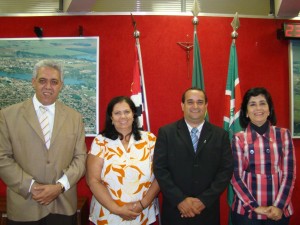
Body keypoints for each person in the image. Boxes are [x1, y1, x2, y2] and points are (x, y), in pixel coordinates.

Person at [0, 59, 87, 225]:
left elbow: (81, 158)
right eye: (42, 80)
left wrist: (59, 187)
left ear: (61, 85)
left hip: (62, 205)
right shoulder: (7, 115)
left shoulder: (75, 118)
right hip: (24, 206)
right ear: (33, 82)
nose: (48, 86)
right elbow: (2, 158)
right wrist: (31, 186)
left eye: (54, 82)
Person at [153, 87, 234, 225]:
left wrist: (204, 201)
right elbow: (160, 169)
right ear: (182, 105)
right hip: (175, 211)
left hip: (207, 212)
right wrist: (179, 200)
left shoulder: (220, 135)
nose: (195, 106)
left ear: (206, 106)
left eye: (200, 102)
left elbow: (225, 170)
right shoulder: (166, 133)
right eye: (190, 102)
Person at [86, 96, 160, 225]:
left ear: (133, 114)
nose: (123, 117)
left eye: (127, 112)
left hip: (142, 213)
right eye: (117, 113)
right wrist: (117, 209)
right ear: (111, 117)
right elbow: (93, 180)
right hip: (108, 214)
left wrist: (142, 204)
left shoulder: (150, 140)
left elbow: (160, 175)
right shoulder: (100, 141)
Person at [230, 87, 296, 225]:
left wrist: (279, 206)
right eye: (252, 104)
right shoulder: (238, 139)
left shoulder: (283, 135)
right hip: (246, 213)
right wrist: (255, 207)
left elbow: (289, 174)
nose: (258, 108)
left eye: (262, 103)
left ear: (269, 109)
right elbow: (235, 177)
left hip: (279, 212)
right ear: (246, 112)